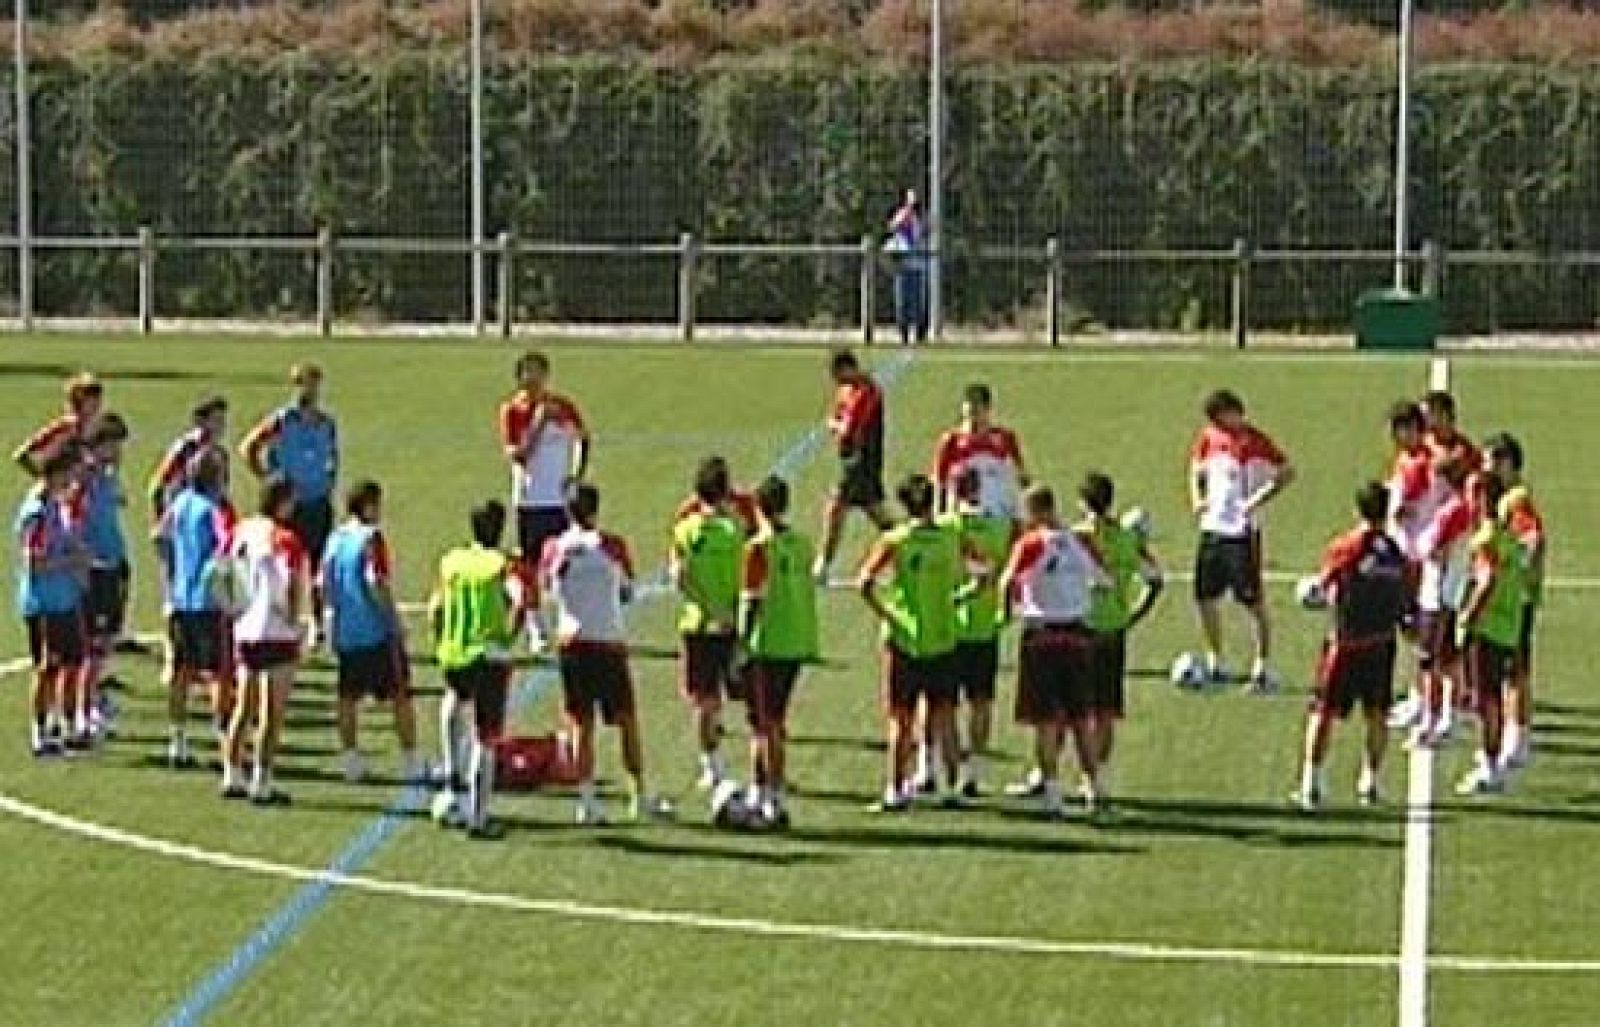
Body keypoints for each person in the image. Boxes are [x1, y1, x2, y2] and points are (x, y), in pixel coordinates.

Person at [541, 484, 671, 825]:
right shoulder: (612, 546)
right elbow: (628, 591)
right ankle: (638, 795)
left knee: (580, 723)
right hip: (608, 642)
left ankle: (587, 802)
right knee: (626, 720)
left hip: (572, 642)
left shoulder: (554, 548)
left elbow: (547, 587)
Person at [857, 473, 978, 812]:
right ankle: (951, 787)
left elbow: (864, 582)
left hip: (905, 639)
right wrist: (959, 597)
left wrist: (887, 613)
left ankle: (896, 789)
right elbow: (983, 572)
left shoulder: (895, 540)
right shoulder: (951, 537)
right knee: (946, 715)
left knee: (900, 719)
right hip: (943, 636)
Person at [1293, 482, 1409, 812]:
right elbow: (1402, 598)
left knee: (1324, 712)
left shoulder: (1346, 547)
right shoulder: (1394, 552)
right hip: (1382, 643)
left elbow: (1323, 585)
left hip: (1346, 644)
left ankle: (1311, 782)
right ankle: (1370, 781)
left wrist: (1314, 595)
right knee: (1377, 714)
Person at [1000, 485, 1108, 817]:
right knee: (1080, 719)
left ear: (1036, 511)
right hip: (1078, 633)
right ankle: (1095, 788)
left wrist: (1007, 612)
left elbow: (1007, 581)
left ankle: (1052, 793)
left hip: (1042, 636)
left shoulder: (1032, 543)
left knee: (1046, 722)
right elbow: (1103, 580)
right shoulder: (1081, 541)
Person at [1187, 389, 1294, 692]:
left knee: (1252, 601)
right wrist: (1199, 498)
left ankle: (1262, 665)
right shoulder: (1209, 438)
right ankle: (1215, 659)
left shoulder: (1254, 442)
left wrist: (1256, 500)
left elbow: (1286, 472)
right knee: (1205, 597)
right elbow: (1196, 467)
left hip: (1242, 532)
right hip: (1212, 529)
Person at [429, 500, 522, 840]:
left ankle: (452, 784)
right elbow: (521, 598)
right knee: (487, 737)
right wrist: (510, 633)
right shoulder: (502, 565)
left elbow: (435, 607)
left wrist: (440, 638)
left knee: (454, 702)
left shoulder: (452, 561)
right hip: (488, 655)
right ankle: (478, 817)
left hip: (454, 653)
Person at [321, 480, 424, 785]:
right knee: (399, 694)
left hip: (346, 630)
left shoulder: (335, 539)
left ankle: (350, 759)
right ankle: (411, 760)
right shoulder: (371, 539)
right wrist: (392, 620)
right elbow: (375, 581)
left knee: (347, 697)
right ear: (368, 506)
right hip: (374, 631)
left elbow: (323, 584)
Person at [738, 475, 821, 826]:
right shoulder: (802, 543)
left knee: (765, 725)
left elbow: (750, 600)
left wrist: (741, 642)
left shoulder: (759, 548)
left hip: (767, 643)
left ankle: (773, 797)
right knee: (770, 720)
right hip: (797, 639)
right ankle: (761, 791)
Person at [223, 478, 308, 806]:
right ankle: (262, 778)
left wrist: (235, 611)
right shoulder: (285, 539)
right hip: (274, 630)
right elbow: (288, 584)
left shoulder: (241, 531)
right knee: (272, 711)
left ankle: (232, 772)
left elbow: (222, 572)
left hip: (245, 628)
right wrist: (293, 620)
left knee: (244, 705)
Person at [1076, 473, 1163, 797]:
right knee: (1105, 709)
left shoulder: (1077, 539)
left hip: (1081, 628)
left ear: (1083, 503)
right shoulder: (1128, 540)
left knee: (1071, 710)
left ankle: (1052, 776)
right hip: (1114, 629)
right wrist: (1134, 615)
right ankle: (1098, 780)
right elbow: (1155, 580)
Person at [241, 363, 339, 645]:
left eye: (311, 383)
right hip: (290, 507)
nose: (307, 390)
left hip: (317, 503)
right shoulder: (283, 421)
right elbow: (249, 447)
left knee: (320, 567)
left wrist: (327, 481)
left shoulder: (326, 423)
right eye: (301, 384)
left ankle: (319, 625)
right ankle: (281, 619)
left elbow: (332, 457)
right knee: (286, 565)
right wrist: (270, 478)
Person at [931, 468, 1015, 798]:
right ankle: (973, 771)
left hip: (948, 628)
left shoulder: (945, 529)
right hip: (985, 626)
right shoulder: (998, 528)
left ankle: (944, 773)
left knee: (945, 705)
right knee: (981, 701)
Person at [498, 352, 590, 651]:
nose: (534, 379)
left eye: (539, 372)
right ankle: (536, 630)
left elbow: (583, 439)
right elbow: (519, 456)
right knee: (530, 567)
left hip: (559, 502)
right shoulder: (513, 411)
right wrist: (538, 424)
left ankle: (569, 621)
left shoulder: (562, 407)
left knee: (565, 564)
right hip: (530, 501)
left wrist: (575, 476)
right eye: (528, 374)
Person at [154, 449, 236, 769]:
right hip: (209, 602)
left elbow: (160, 537)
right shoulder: (214, 510)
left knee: (181, 671)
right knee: (218, 674)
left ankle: (177, 740)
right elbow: (228, 549)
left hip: (180, 599)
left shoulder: (180, 503)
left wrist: (175, 569)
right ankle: (225, 741)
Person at [670, 458, 746, 791]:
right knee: (750, 698)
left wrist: (708, 608)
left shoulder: (685, 530)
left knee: (704, 699)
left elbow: (679, 577)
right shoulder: (736, 531)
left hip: (698, 624)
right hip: (733, 625)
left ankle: (711, 767)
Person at [1455, 474, 1526, 797]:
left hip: (1487, 628)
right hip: (1507, 627)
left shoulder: (1486, 539)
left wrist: (1467, 618)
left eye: (1472, 494)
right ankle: (1491, 760)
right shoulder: (1508, 536)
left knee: (1486, 701)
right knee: (1492, 696)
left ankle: (1490, 765)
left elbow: (1487, 581)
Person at [15, 451, 90, 756]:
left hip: (65, 598)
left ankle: (69, 727)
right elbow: (33, 561)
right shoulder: (37, 511)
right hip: (45, 601)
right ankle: (40, 730)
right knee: (48, 667)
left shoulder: (56, 505)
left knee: (73, 662)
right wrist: (70, 561)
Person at [1484, 433, 1543, 770]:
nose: (1487, 468)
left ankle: (1517, 738)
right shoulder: (1512, 497)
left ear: (1507, 463)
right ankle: (1515, 733)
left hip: (1516, 600)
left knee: (1514, 670)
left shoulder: (1516, 500)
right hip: (1518, 597)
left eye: (1492, 461)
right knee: (1513, 669)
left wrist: (1518, 569)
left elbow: (1532, 539)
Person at [1409, 457, 1474, 749]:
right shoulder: (1461, 510)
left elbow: (1433, 550)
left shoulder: (1451, 511)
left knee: (1430, 661)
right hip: (1450, 592)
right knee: (1449, 660)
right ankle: (1450, 716)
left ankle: (1431, 720)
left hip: (1438, 595)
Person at [815, 350, 893, 584]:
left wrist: (835, 426)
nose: (836, 380)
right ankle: (910, 551)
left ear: (848, 368)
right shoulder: (847, 390)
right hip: (851, 460)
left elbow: (847, 428)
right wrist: (836, 423)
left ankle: (822, 566)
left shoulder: (867, 391)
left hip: (862, 462)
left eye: (838, 374)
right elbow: (837, 414)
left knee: (835, 509)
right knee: (878, 515)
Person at [80, 414, 132, 726]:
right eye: (114, 445)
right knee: (94, 640)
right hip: (95, 567)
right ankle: (86, 705)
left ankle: (94, 695)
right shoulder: (84, 478)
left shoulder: (108, 476)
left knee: (108, 636)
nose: (119, 452)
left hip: (114, 561)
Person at [931, 383, 1027, 521]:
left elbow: (1021, 475)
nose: (973, 417)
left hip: (999, 514)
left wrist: (1022, 513)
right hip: (963, 515)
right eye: (969, 412)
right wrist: (937, 515)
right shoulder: (951, 440)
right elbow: (939, 482)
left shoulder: (1005, 437)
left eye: (977, 411)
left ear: (988, 409)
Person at [150, 396, 230, 520]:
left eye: (223, 420)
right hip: (183, 515)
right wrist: (160, 520)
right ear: (201, 422)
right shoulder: (186, 448)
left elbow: (222, 494)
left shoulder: (221, 454)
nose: (222, 425)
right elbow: (158, 486)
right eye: (216, 420)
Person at [14, 372, 103, 477]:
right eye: (92, 398)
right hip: (60, 489)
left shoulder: (95, 426)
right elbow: (21, 454)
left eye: (98, 397)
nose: (98, 403)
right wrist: (43, 479)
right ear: (78, 399)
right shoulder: (64, 427)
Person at [886, 189, 929, 345]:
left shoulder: (922, 219)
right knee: (902, 302)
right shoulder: (902, 215)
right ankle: (904, 335)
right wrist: (904, 216)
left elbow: (926, 233)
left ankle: (920, 334)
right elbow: (892, 227)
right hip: (903, 266)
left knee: (918, 302)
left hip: (918, 266)